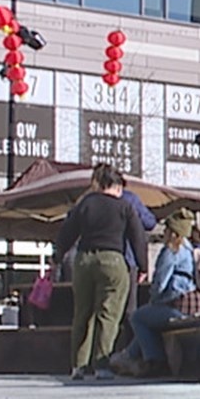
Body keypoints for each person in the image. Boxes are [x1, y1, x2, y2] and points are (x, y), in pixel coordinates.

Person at [52, 163, 148, 381]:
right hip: (113, 260)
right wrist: (142, 266)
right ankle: (102, 365)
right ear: (115, 186)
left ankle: (78, 365)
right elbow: (137, 236)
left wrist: (57, 257)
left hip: (84, 259)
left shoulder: (85, 204)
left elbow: (67, 232)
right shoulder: (124, 206)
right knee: (108, 314)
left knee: (82, 313)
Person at [113, 209, 200, 377]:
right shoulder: (191, 250)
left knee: (138, 317)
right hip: (199, 307)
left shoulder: (171, 252)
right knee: (149, 318)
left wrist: (153, 300)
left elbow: (160, 284)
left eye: (166, 229)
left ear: (172, 232)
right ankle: (128, 357)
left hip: (179, 308)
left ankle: (154, 361)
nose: (163, 232)